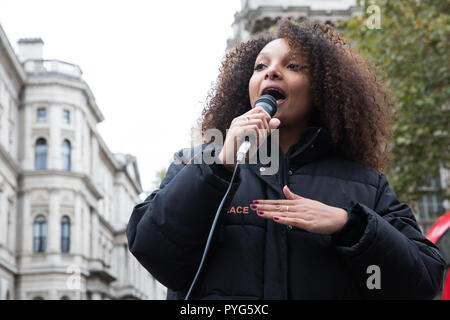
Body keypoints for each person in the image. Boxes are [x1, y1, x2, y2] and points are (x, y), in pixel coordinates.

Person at [126, 18, 445, 299]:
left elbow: (423, 282)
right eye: (260, 66)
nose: (272, 71)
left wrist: (350, 226)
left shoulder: (367, 184)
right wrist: (218, 165)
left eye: (293, 66)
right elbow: (155, 252)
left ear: (322, 90)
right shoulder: (194, 163)